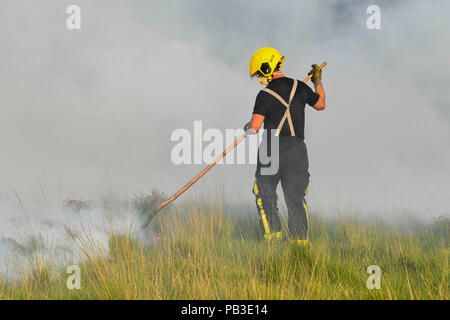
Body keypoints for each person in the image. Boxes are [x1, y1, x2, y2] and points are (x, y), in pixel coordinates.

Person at [245, 47, 326, 244]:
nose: (259, 79)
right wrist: (317, 81)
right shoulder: (300, 86)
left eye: (259, 74)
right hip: (297, 151)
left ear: (266, 68)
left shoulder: (264, 94)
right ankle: (299, 249)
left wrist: (247, 126)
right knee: (296, 200)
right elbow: (321, 104)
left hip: (271, 149)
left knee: (265, 196)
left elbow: (254, 128)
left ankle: (272, 242)